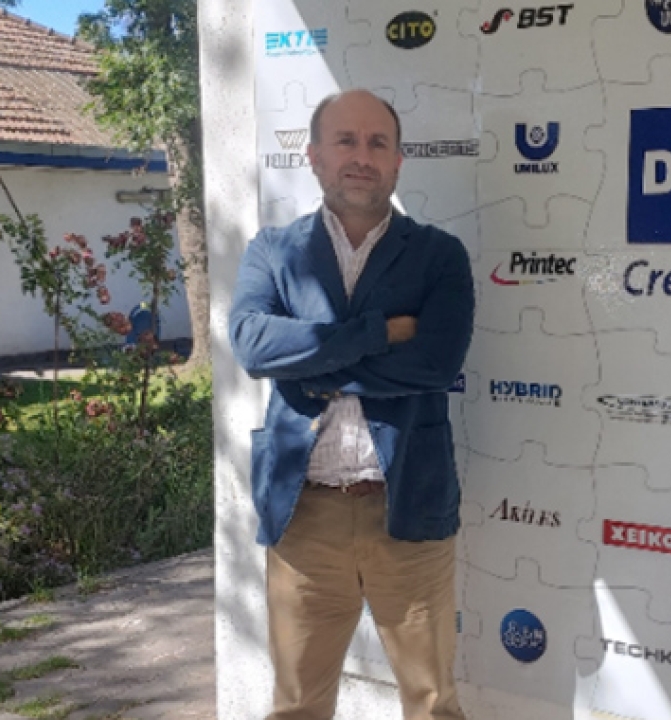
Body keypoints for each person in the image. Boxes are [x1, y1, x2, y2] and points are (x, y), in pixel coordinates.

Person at [230, 89, 474, 720]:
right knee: (297, 706)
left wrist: (312, 364)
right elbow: (253, 345)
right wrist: (377, 333)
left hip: (408, 506)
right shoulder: (273, 251)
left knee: (433, 705)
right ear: (314, 156)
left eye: (377, 143)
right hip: (304, 515)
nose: (361, 156)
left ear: (397, 161)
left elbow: (434, 365)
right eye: (345, 141)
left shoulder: (439, 255)